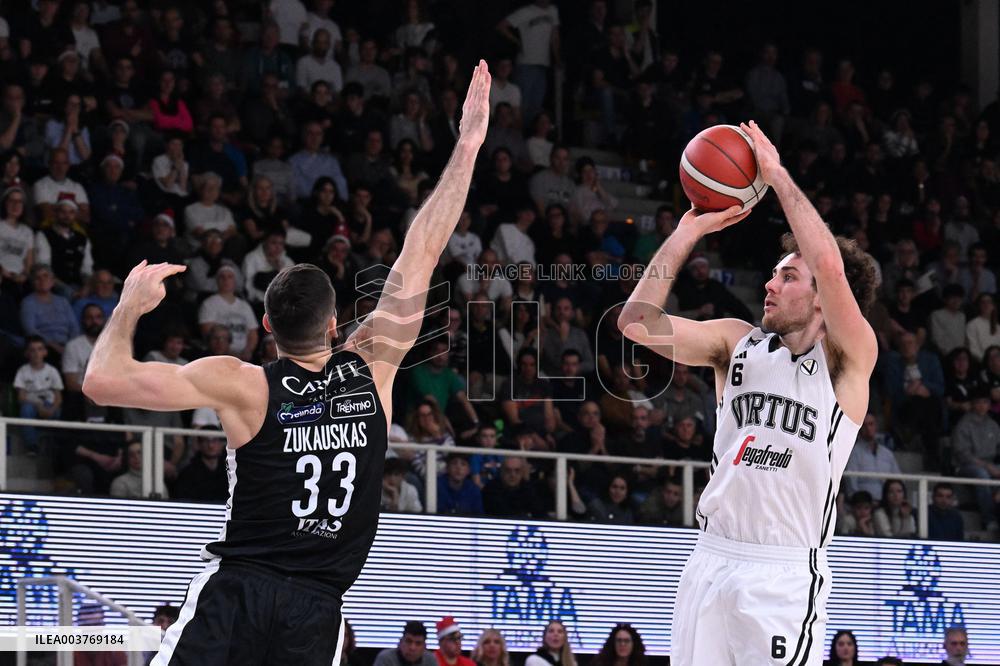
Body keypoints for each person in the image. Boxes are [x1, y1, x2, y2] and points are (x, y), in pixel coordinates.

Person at [82, 62, 493, 666]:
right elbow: (425, 244)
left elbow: (100, 381)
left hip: (236, 595)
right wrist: (468, 144)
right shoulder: (371, 364)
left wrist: (128, 307)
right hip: (318, 608)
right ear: (334, 323)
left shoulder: (243, 384)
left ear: (267, 327)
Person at [620, 121, 879, 665]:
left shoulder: (848, 358)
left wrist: (778, 176)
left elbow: (830, 266)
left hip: (781, 573)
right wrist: (689, 231)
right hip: (709, 560)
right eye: (773, 274)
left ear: (821, 301)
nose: (770, 283)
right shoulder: (736, 343)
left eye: (788, 277)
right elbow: (637, 323)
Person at [951, 389, 1000, 531]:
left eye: (985, 402)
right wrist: (987, 466)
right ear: (972, 404)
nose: (982, 406)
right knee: (982, 475)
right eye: (978, 403)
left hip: (991, 464)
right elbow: (962, 455)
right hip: (966, 466)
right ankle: (989, 519)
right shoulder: (963, 425)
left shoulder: (993, 425)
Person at [14, 336, 63, 453]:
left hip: (50, 405)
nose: (36, 353)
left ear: (45, 352)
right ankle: (32, 445)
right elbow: (21, 397)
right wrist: (38, 405)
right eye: (32, 350)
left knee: (60, 413)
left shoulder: (52, 371)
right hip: (32, 405)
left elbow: (59, 397)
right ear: (27, 353)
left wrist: (52, 409)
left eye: (40, 349)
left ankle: (56, 448)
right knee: (26, 410)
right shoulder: (23, 371)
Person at [843, 413, 901, 501]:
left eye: (871, 424)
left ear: (876, 426)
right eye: (864, 425)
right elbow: (852, 485)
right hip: (864, 506)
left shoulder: (887, 454)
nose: (868, 428)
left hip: (887, 504)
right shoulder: (853, 453)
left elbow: (898, 480)